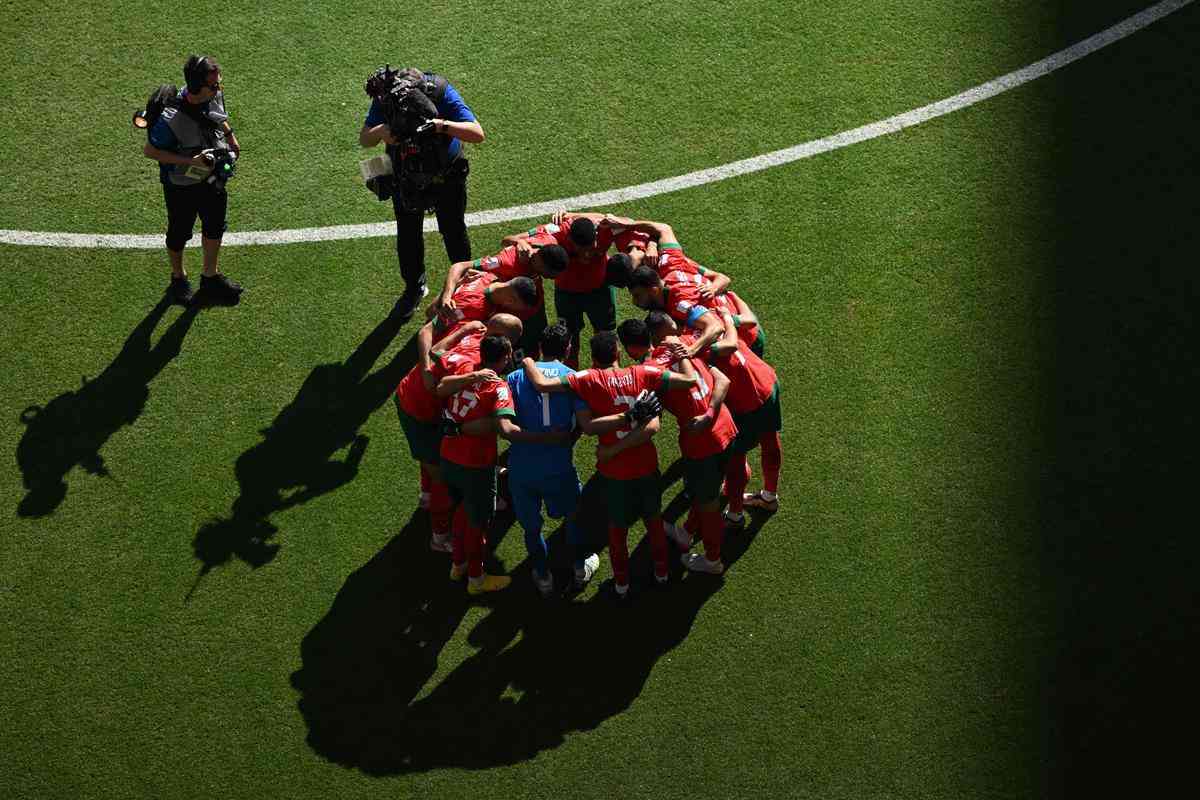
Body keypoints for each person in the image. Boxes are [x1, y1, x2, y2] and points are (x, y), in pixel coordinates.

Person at [521, 332, 696, 599]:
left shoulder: (588, 378)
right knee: (654, 523)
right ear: (617, 353)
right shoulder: (643, 372)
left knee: (617, 530)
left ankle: (622, 584)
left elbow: (542, 385)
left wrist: (528, 362)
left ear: (593, 358)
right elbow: (689, 379)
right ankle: (662, 573)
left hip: (613, 471)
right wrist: (682, 353)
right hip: (646, 466)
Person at [437, 335, 568, 595]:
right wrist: (546, 437)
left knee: (462, 511)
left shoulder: (467, 370)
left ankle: (458, 564)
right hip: (475, 465)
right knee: (479, 524)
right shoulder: (498, 387)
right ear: (506, 357)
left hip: (448, 456)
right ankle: (476, 578)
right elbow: (507, 429)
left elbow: (440, 386)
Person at [360, 67, 485, 321]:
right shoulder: (386, 99)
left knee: (453, 231)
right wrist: (382, 132)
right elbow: (365, 139)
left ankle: (466, 284)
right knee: (407, 236)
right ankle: (414, 287)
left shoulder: (440, 91)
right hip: (405, 176)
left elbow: (477, 133)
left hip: (446, 176)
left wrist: (442, 126)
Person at [394, 314, 523, 550]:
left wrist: (462, 332)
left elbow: (436, 351)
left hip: (426, 405)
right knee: (442, 479)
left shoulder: (474, 334)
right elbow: (443, 389)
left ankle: (427, 494)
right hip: (419, 410)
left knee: (438, 462)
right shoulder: (471, 367)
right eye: (511, 343)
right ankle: (439, 536)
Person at [505, 321, 600, 596]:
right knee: (572, 517)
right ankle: (580, 568)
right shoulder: (573, 378)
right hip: (559, 466)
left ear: (539, 348)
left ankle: (543, 576)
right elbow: (584, 422)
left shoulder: (514, 378)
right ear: (568, 348)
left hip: (522, 468)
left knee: (531, 528)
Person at [142, 55, 243, 306]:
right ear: (197, 86)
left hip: (213, 176)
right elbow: (151, 152)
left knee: (215, 225)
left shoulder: (212, 94)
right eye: (214, 85)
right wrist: (191, 162)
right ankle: (178, 278)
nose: (219, 88)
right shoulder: (170, 119)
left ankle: (210, 276)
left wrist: (230, 137)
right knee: (179, 232)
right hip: (181, 186)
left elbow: (217, 116)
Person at [502, 211, 618, 367]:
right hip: (567, 295)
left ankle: (607, 382)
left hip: (599, 291)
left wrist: (571, 213)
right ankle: (571, 381)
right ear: (569, 239)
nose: (587, 256)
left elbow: (635, 225)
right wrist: (519, 242)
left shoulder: (605, 226)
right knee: (568, 341)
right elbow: (507, 240)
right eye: (581, 250)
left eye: (591, 249)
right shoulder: (556, 231)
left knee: (606, 341)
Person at [433, 237, 570, 356]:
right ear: (540, 261)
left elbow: (508, 238)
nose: (553, 278)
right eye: (551, 273)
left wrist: (518, 240)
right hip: (509, 310)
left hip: (531, 306)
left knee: (536, 343)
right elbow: (460, 266)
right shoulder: (506, 262)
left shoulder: (548, 243)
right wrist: (446, 296)